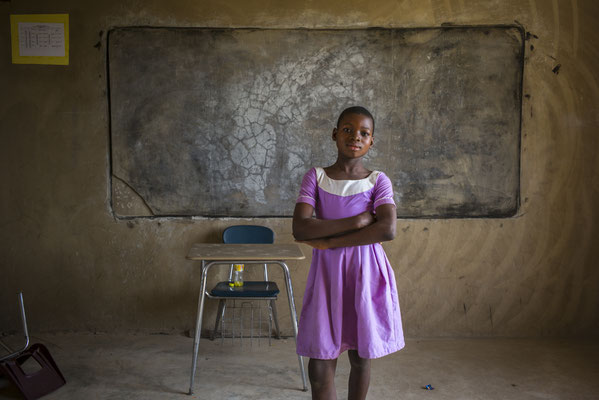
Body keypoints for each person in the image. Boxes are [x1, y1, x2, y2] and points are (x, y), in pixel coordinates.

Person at [293, 106, 404, 400]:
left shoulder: (378, 180)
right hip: (327, 277)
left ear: (371, 141)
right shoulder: (315, 177)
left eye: (364, 133)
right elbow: (301, 229)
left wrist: (329, 240)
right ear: (334, 134)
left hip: (364, 274)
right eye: (347, 130)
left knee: (359, 356)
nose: (355, 137)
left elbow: (387, 229)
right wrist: (356, 222)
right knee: (319, 366)